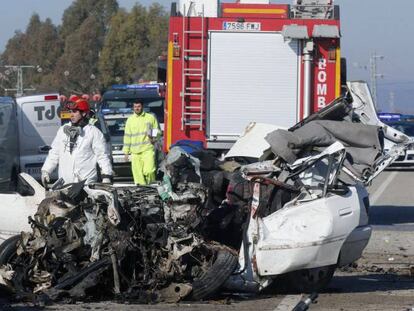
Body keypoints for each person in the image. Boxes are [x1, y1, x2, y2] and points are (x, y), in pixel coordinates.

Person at [41, 97, 113, 186]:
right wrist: (46, 170)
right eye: (70, 112)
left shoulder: (93, 132)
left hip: (86, 184)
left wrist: (106, 176)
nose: (71, 115)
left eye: (74, 112)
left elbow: (102, 156)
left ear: (83, 113)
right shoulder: (63, 130)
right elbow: (54, 153)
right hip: (65, 183)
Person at [123, 101, 159, 185]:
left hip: (147, 150)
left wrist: (153, 138)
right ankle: (141, 192)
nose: (137, 108)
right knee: (138, 176)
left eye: (138, 106)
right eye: (135, 106)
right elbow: (127, 136)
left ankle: (151, 186)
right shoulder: (130, 120)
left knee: (149, 171)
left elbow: (156, 130)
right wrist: (126, 153)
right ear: (133, 107)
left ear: (142, 107)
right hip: (135, 153)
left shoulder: (150, 117)